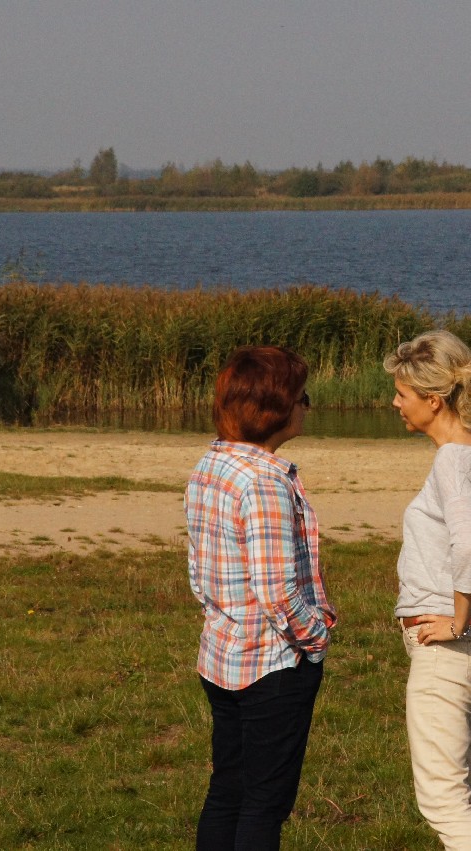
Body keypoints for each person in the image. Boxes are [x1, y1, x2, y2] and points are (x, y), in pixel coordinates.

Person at [185, 345, 336, 851]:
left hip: (220, 655)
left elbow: (198, 570)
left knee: (227, 790)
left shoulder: (210, 465)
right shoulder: (264, 480)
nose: (306, 407)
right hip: (272, 666)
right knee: (264, 804)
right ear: (276, 409)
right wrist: (314, 640)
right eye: (302, 397)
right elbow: (277, 593)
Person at [384, 330, 471, 851]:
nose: (395, 403)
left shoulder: (453, 461)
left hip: (447, 647)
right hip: (464, 643)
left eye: (402, 394)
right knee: (468, 792)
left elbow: (468, 541)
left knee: (442, 799)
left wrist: (457, 620)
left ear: (433, 400)